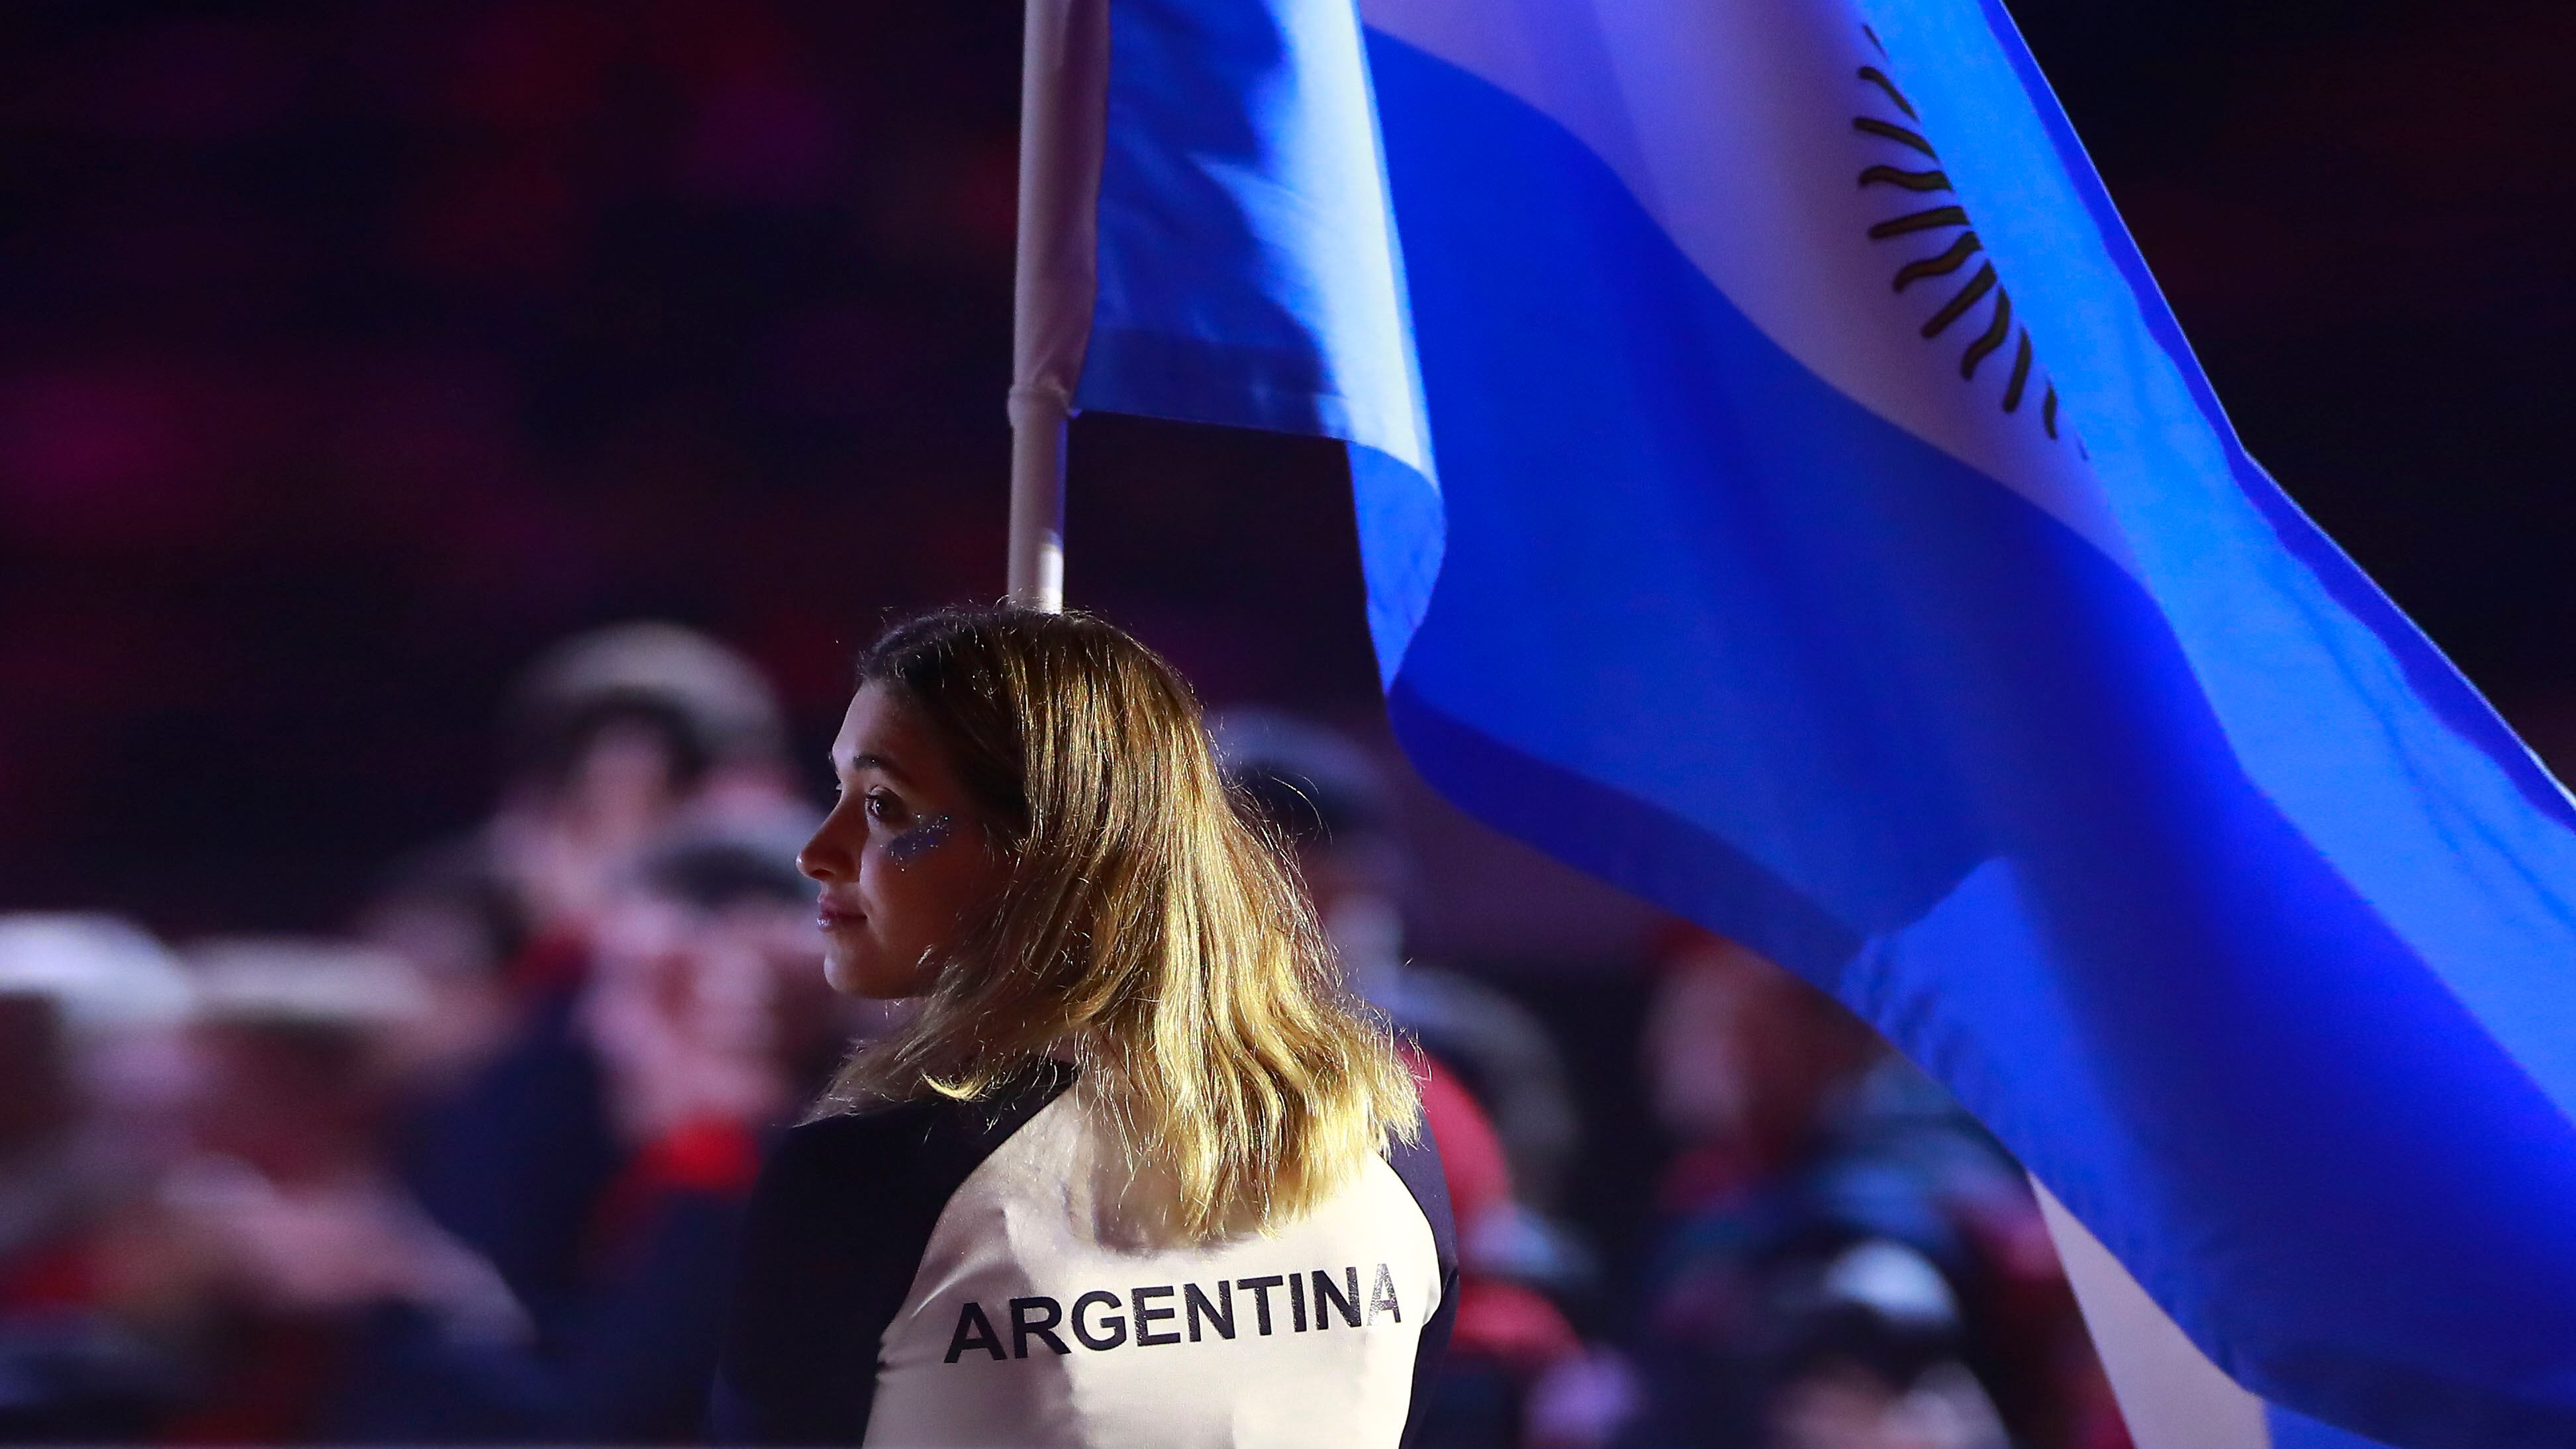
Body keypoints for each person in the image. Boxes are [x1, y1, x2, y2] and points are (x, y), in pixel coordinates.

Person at [711, 606, 1458, 1447]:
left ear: (1046, 845)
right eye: (840, 791)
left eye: (883, 804)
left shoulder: (864, 1179)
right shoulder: (1385, 1131)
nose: (819, 849)